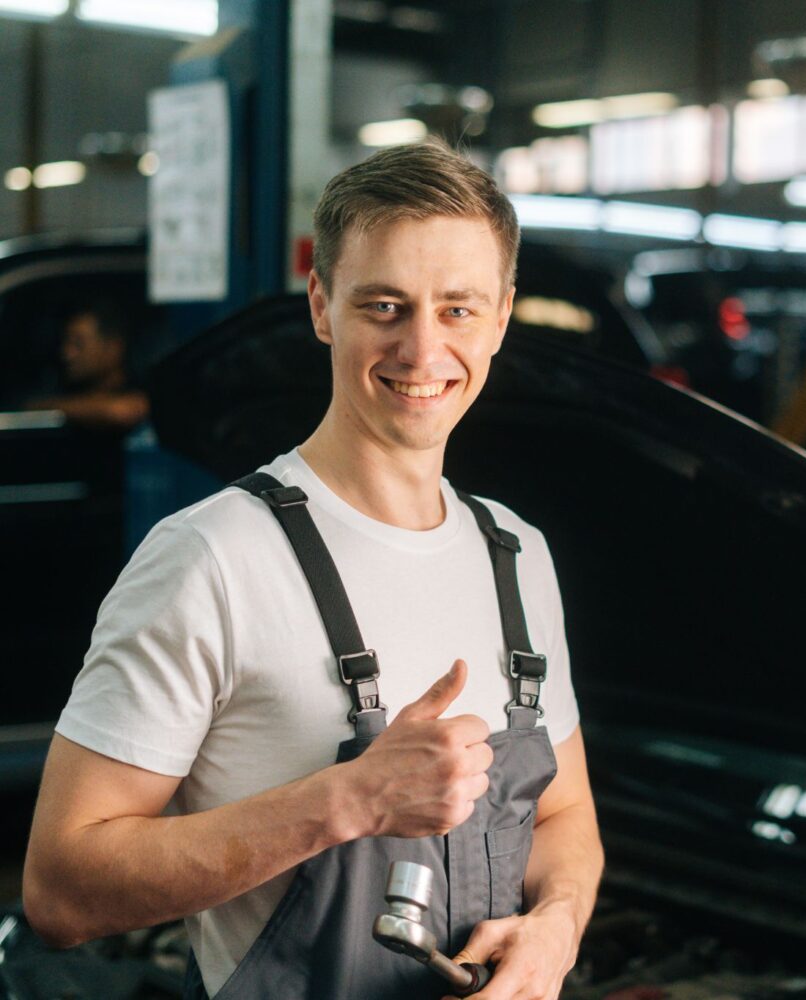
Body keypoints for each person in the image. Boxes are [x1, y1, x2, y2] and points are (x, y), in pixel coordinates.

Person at [23, 140, 604, 1000]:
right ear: (322, 305)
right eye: (384, 305)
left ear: (502, 318)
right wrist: (347, 801)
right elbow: (60, 890)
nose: (421, 349)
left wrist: (553, 929)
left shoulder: (516, 555)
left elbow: (564, 819)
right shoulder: (212, 559)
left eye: (457, 310)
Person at [25, 298, 150, 431]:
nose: (67, 354)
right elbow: (31, 407)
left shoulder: (141, 386)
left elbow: (122, 411)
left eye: (78, 344)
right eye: (65, 342)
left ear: (113, 348)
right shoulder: (62, 388)